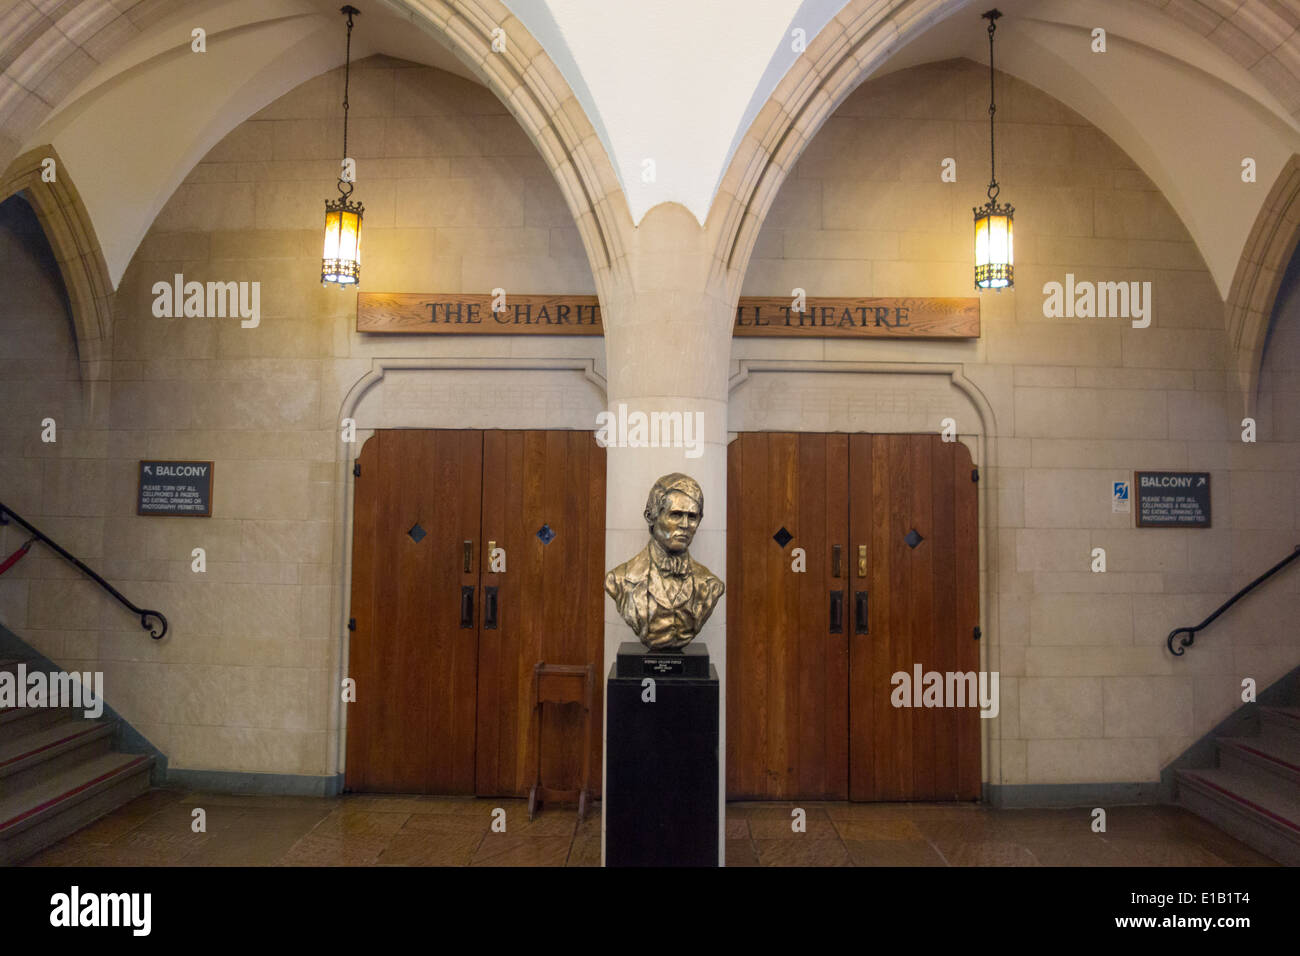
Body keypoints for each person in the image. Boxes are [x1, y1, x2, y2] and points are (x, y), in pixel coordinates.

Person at [604, 473, 724, 650]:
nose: (685, 524)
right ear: (650, 516)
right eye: (675, 515)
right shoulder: (619, 579)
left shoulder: (711, 585)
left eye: (692, 517)